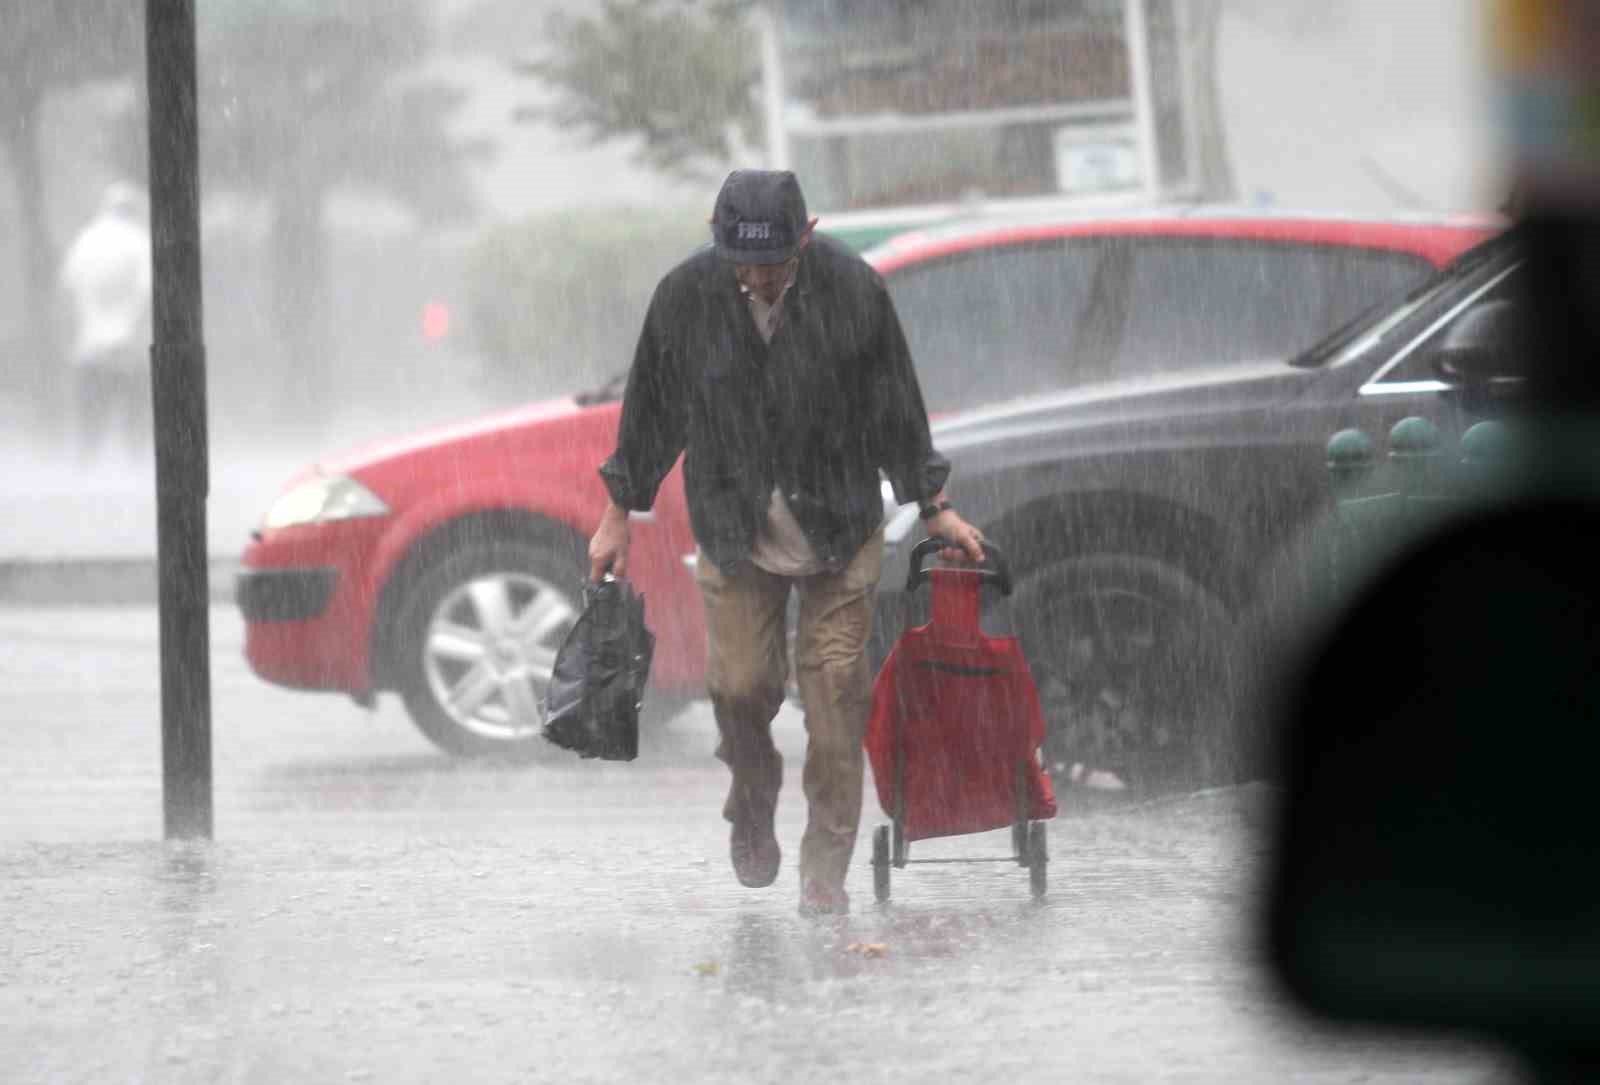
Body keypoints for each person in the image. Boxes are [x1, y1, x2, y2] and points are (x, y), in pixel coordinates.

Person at [589, 169, 985, 916]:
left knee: (836, 693)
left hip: (837, 523)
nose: (759, 278)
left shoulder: (854, 292)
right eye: (744, 263)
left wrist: (934, 504)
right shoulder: (686, 298)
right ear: (721, 244)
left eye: (774, 264)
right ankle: (753, 800)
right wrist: (618, 512)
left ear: (805, 239)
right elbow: (650, 412)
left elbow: (897, 405)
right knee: (740, 689)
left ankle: (823, 873)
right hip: (735, 527)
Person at [58, 181, 153, 464]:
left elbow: (68, 281)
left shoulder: (87, 239)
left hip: (91, 341)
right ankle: (136, 456)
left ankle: (87, 457)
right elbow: (148, 288)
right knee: (134, 403)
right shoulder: (139, 240)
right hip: (129, 340)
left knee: (91, 403)